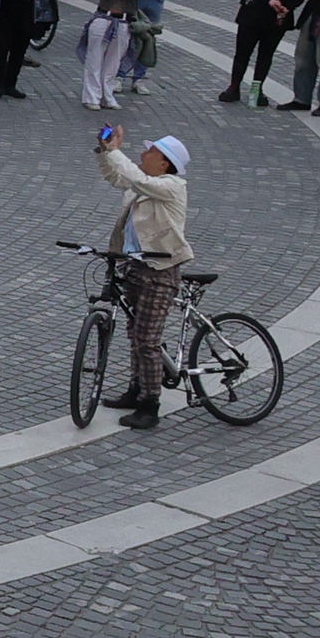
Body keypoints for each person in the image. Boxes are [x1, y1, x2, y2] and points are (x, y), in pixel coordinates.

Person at [89, 127, 187, 428]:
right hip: (134, 266)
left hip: (160, 271)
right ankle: (136, 389)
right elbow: (117, 177)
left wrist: (116, 151)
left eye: (150, 151)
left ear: (165, 163)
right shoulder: (145, 184)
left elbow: (136, 178)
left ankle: (150, 404)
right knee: (135, 333)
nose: (143, 154)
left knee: (147, 340)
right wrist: (106, 152)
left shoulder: (171, 186)